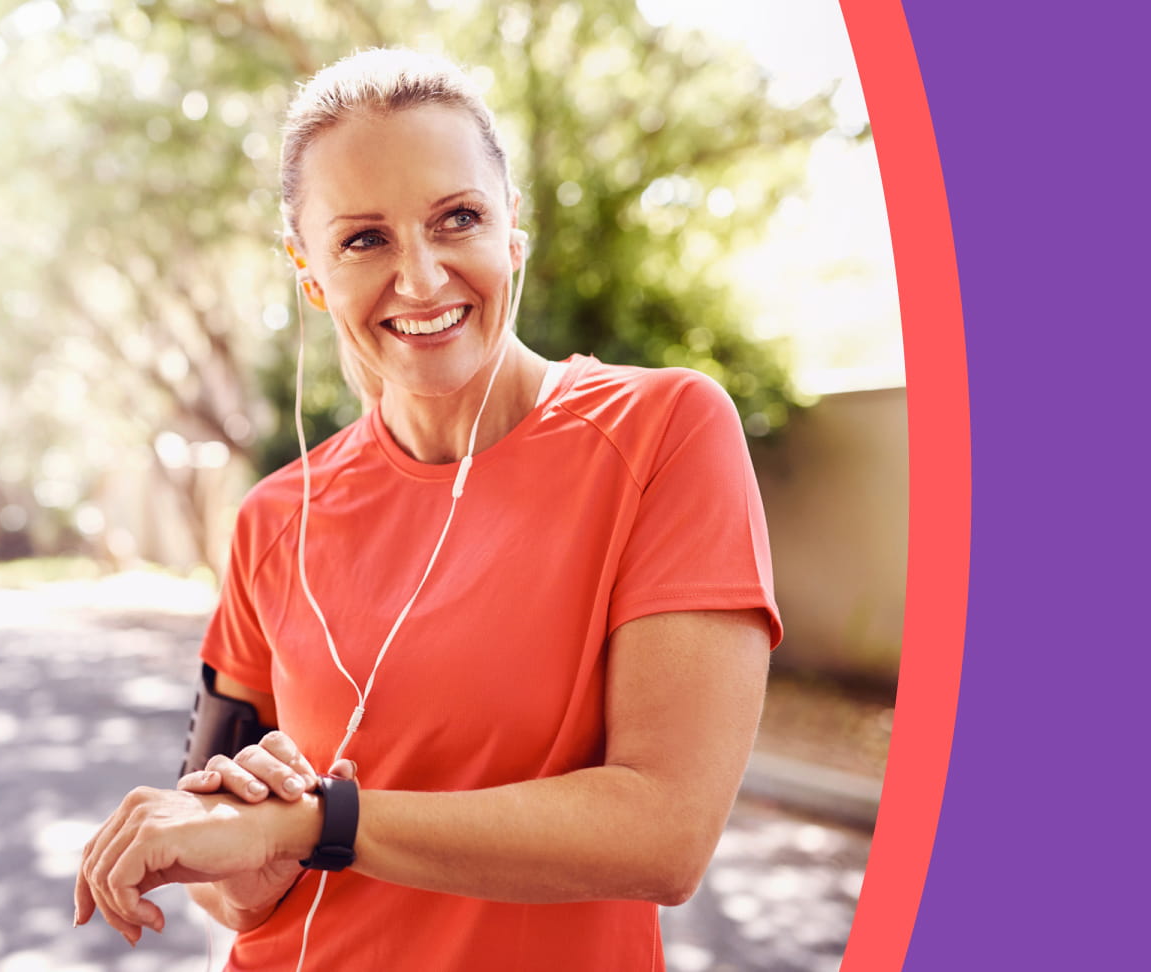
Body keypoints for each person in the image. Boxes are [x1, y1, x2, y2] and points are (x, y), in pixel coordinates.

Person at [74, 47, 781, 971]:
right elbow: (230, 888)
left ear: (513, 229)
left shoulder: (664, 433)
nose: (420, 277)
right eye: (363, 240)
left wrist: (319, 821)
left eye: (458, 219)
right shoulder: (272, 519)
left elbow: (664, 832)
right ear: (308, 270)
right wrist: (238, 844)